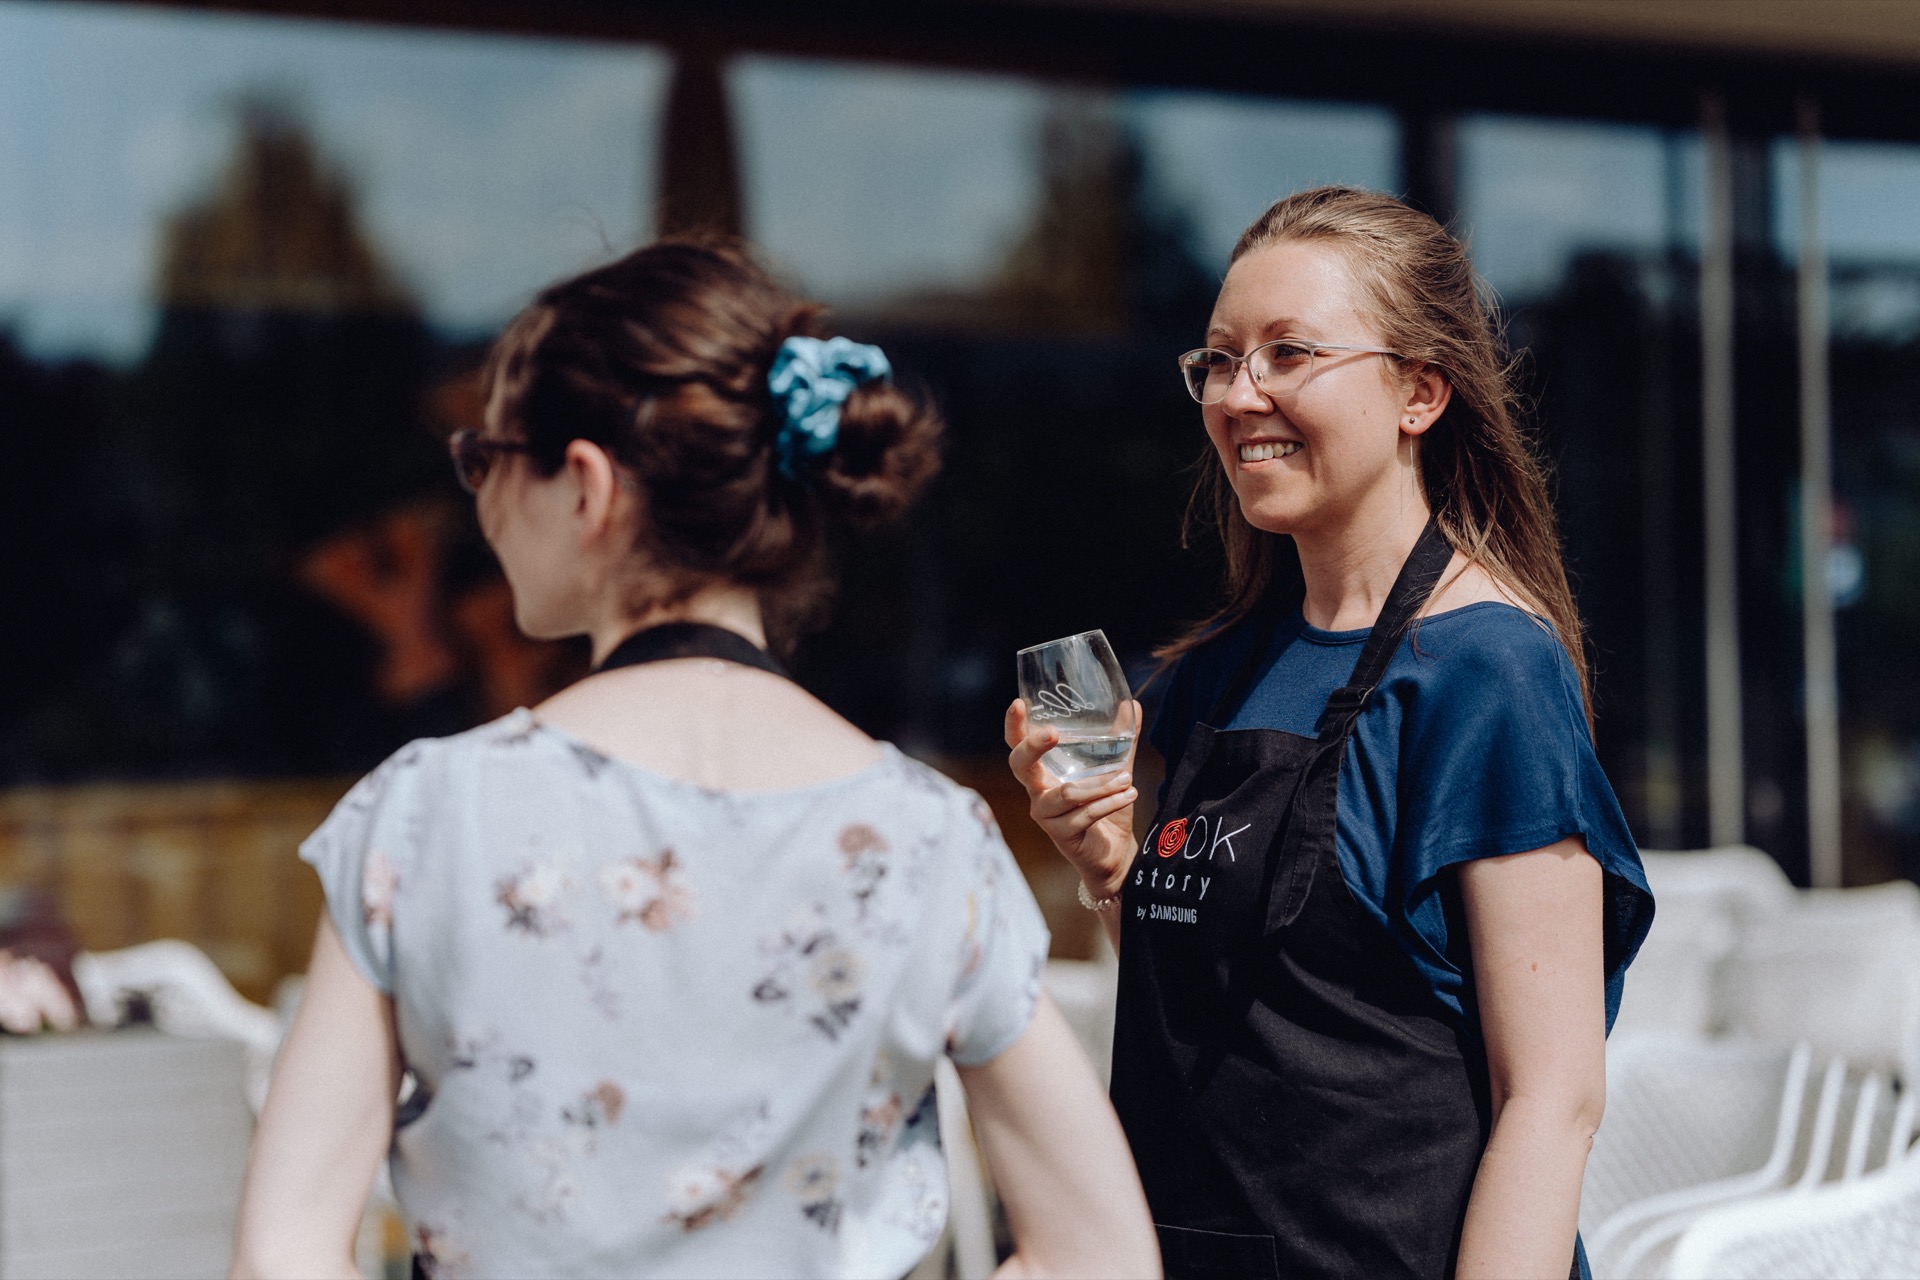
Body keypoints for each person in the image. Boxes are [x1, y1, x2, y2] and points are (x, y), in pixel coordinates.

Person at [231, 240, 1160, 1280]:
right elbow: (1103, 1255)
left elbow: (285, 1255)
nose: (476, 500)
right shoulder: (931, 838)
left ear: (586, 485)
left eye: (484, 459)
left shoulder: (426, 815)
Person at [1005, 186, 1655, 1279]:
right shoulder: (1218, 665)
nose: (1240, 390)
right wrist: (1109, 865)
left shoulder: (1485, 670)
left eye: (1289, 352)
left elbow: (1550, 1099)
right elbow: (1233, 1007)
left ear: (1419, 392)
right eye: (1218, 359)